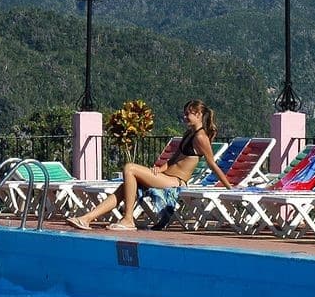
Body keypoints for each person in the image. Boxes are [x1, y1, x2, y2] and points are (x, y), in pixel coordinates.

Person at [65, 99, 234, 231]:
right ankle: (86, 219)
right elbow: (174, 159)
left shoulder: (201, 137)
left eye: (188, 114)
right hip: (165, 176)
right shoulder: (189, 134)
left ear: (198, 114)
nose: (184, 117)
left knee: (130, 168)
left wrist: (229, 187)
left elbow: (213, 164)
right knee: (124, 187)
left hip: (175, 182)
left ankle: (128, 219)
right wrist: (159, 169)